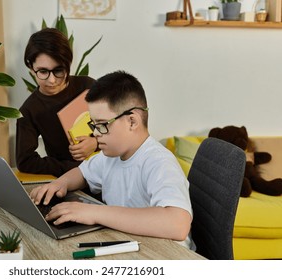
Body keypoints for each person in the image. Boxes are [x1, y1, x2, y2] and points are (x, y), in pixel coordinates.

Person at [30, 71, 194, 249]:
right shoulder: (111, 156)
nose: (96, 133)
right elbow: (83, 173)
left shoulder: (159, 162)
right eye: (93, 125)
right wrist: (60, 184)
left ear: (132, 121)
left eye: (102, 125)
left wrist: (95, 213)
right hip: (132, 246)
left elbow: (178, 224)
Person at [16, 28, 98, 177]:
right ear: (31, 68)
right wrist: (73, 169)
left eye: (59, 70)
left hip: (108, 173)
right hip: (70, 180)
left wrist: (96, 143)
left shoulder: (88, 87)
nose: (52, 80)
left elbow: (120, 130)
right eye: (43, 71)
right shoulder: (29, 110)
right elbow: (25, 161)